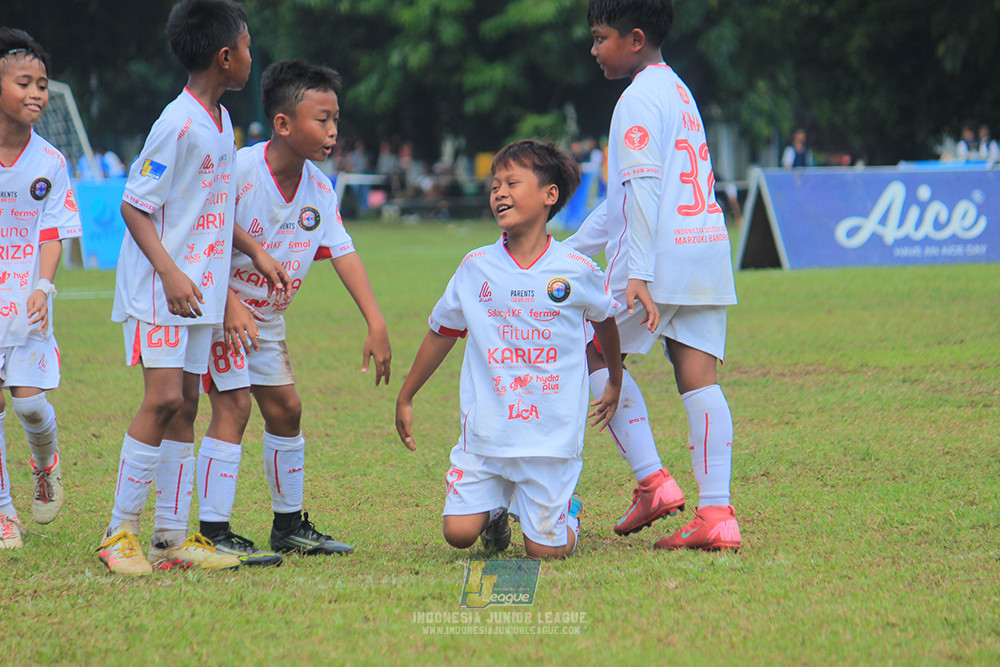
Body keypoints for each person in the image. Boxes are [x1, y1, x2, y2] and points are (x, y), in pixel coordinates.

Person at [96, 0, 286, 576]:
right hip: (164, 286)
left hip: (199, 288)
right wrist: (172, 273)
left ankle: (170, 538)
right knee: (163, 400)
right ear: (226, 57)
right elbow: (135, 206)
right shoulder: (175, 122)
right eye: (249, 47)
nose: (253, 57)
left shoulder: (223, 123)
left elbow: (211, 204)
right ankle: (118, 532)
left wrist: (251, 248)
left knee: (188, 405)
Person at [197, 60, 392, 565]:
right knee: (234, 407)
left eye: (335, 120)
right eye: (321, 120)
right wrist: (229, 302)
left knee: (287, 410)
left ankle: (289, 527)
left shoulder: (320, 190)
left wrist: (376, 322)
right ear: (283, 124)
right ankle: (212, 530)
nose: (332, 131)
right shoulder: (238, 170)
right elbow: (198, 238)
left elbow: (344, 254)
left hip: (266, 320)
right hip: (219, 309)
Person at [565, 0, 741, 552]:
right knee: (700, 380)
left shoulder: (636, 99)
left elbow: (638, 195)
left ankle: (653, 481)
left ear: (634, 38)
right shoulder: (680, 92)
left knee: (586, 348)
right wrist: (568, 248)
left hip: (655, 259)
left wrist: (637, 272)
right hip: (705, 248)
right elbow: (625, 199)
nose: (594, 50)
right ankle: (717, 515)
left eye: (600, 38)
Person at [395, 140, 624, 559]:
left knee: (544, 553)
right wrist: (407, 394)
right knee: (459, 534)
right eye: (494, 185)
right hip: (487, 436)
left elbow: (605, 322)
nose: (499, 192)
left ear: (548, 195)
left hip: (550, 439)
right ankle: (495, 510)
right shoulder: (476, 266)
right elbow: (442, 332)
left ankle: (566, 513)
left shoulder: (578, 270)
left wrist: (614, 378)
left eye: (511, 182)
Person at [0, 28, 82, 548]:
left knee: (30, 405)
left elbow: (53, 231)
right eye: (24, 83)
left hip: (25, 301)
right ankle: (4, 512)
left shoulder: (50, 161)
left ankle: (45, 459)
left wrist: (44, 287)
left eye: (43, 84)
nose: (36, 93)